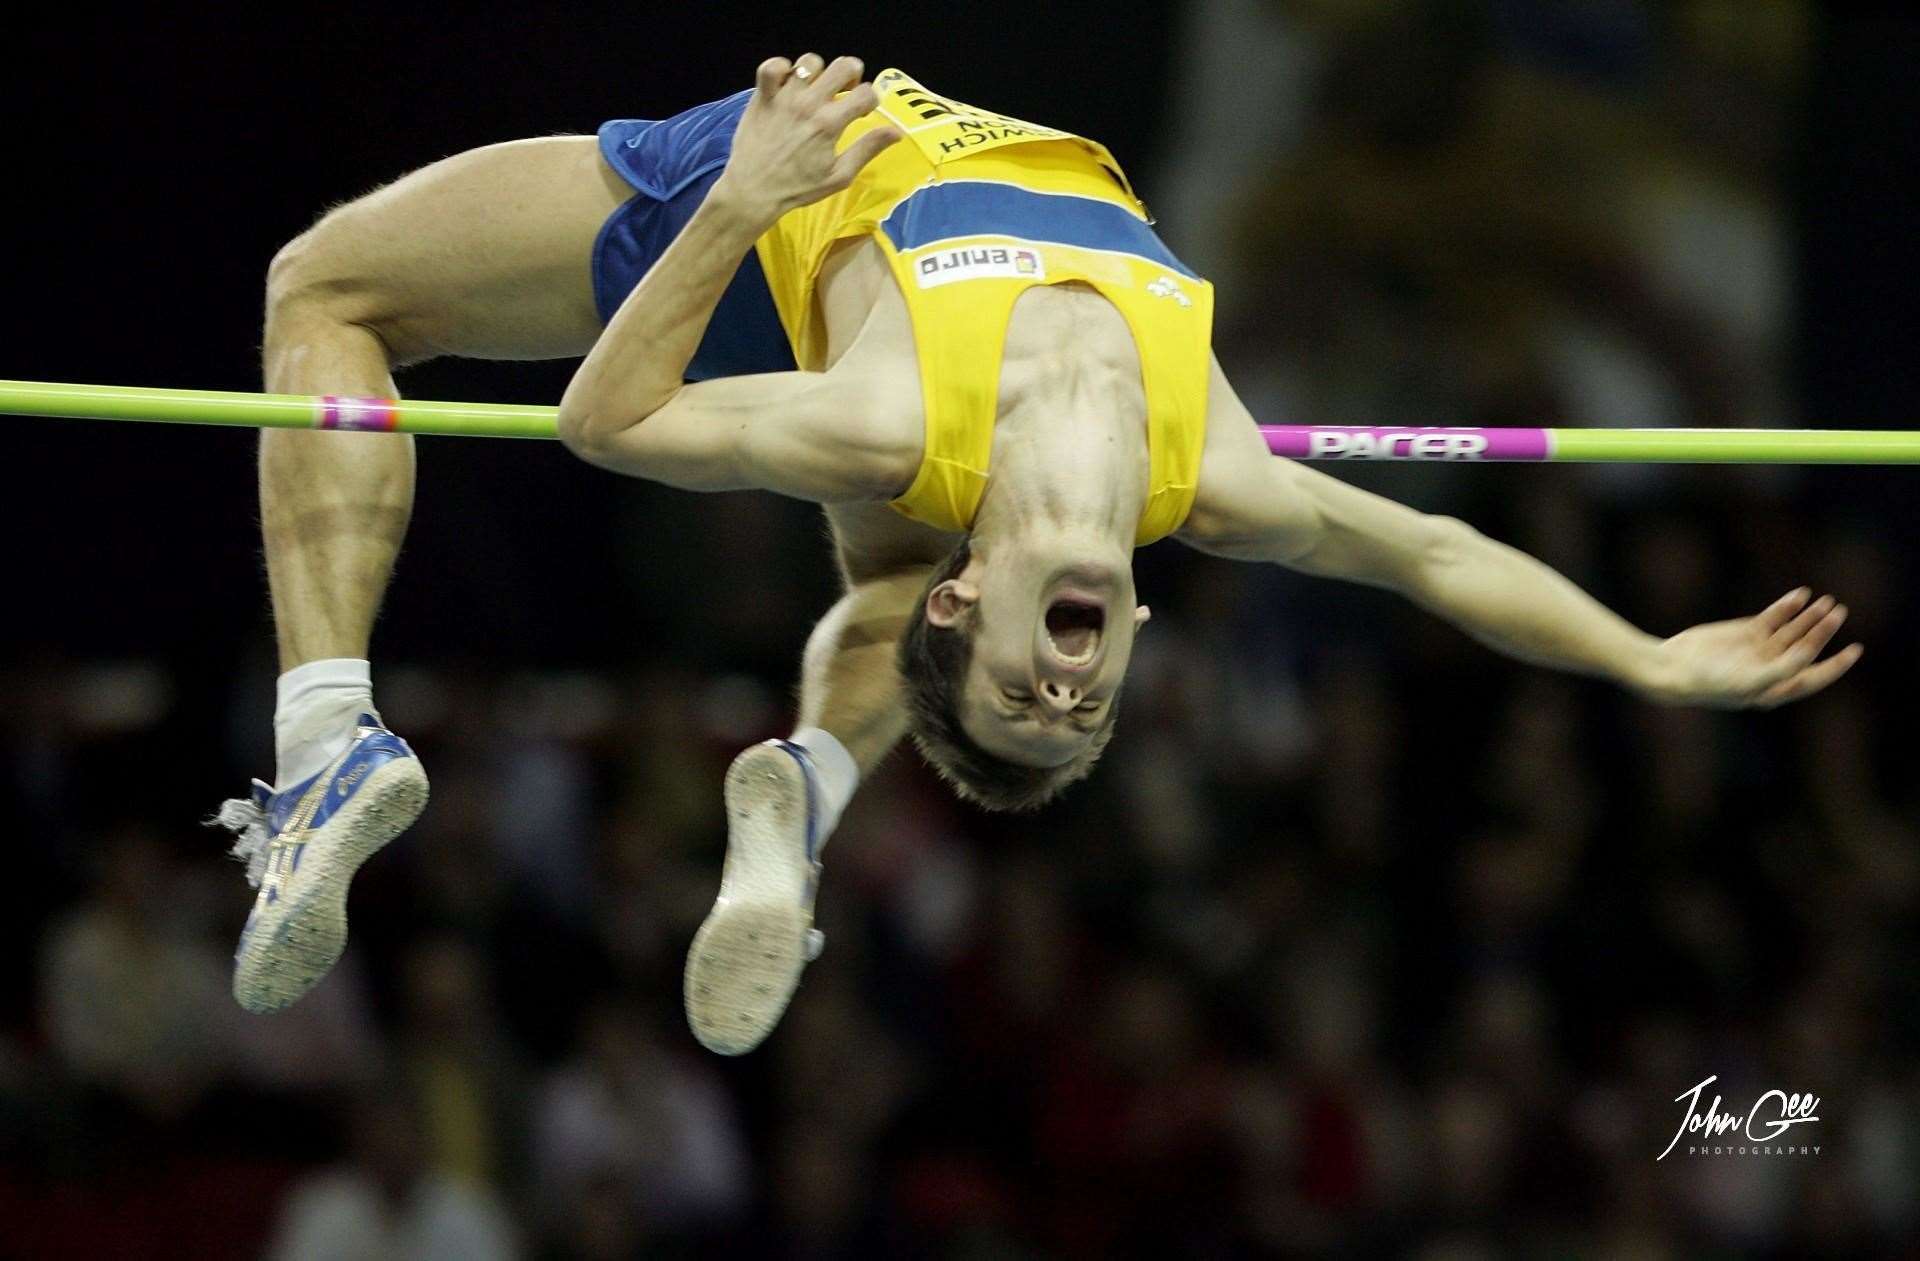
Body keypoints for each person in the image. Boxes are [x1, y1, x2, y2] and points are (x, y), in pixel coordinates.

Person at [214, 54, 1862, 1056]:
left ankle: (326, 735)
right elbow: (1437, 556)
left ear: (978, 601)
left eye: (1025, 691)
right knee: (867, 589)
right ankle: (802, 787)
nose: (1069, 687)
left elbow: (602, 421)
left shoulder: (881, 432)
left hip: (783, 200)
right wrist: (1651, 658)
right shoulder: (1214, 478)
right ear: (1134, 627)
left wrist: (744, 195)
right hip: (859, 263)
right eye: (1084, 709)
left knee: (323, 286)